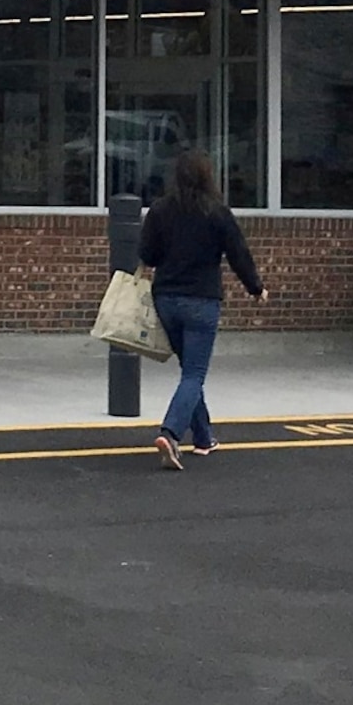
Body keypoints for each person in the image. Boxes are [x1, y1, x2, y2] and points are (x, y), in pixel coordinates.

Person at [137, 147, 263, 470]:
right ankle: (170, 432)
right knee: (194, 374)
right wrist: (256, 288)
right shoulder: (217, 213)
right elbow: (239, 255)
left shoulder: (160, 210)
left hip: (166, 300)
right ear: (208, 176)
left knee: (188, 373)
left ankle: (204, 438)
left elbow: (148, 255)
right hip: (202, 301)